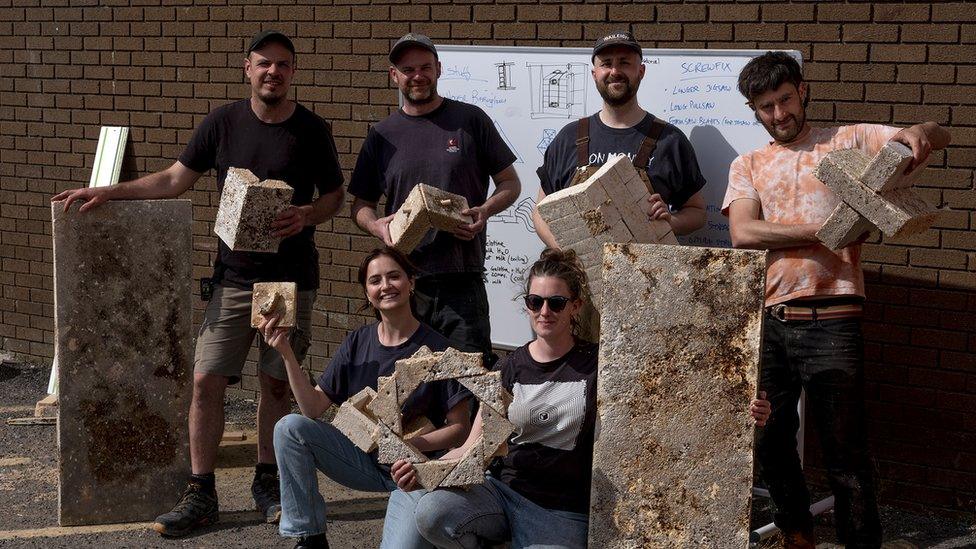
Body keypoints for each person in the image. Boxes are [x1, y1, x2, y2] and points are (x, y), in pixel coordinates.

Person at [52, 30, 346, 536]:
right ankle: (201, 492)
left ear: (293, 72)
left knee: (276, 384)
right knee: (207, 381)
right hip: (233, 279)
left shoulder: (311, 130)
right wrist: (111, 191)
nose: (272, 72)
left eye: (282, 65)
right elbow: (174, 178)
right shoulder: (222, 122)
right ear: (246, 68)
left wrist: (307, 215)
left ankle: (267, 482)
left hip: (289, 280)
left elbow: (335, 197)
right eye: (263, 64)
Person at [723, 51, 951, 549]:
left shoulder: (848, 141)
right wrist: (822, 232)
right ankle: (798, 535)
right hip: (771, 321)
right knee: (768, 440)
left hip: (835, 317)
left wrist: (920, 132)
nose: (779, 114)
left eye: (784, 99)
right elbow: (743, 232)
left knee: (845, 452)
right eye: (766, 107)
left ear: (801, 91)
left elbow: (938, 132)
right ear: (754, 111)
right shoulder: (750, 165)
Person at [412, 249, 772, 548]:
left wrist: (742, 411)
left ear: (576, 306)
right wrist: (422, 466)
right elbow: (475, 444)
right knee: (431, 514)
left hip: (563, 508)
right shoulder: (511, 366)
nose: (544, 312)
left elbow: (673, 403)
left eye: (556, 302)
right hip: (505, 493)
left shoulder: (600, 365)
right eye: (535, 301)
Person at [265, 247, 473, 549]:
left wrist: (408, 445)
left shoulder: (439, 347)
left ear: (411, 282)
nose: (385, 286)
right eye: (375, 281)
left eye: (394, 276)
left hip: (413, 472)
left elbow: (460, 429)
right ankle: (309, 537)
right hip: (362, 462)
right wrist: (285, 352)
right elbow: (312, 408)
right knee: (289, 427)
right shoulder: (358, 341)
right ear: (367, 291)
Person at [349, 33, 521, 363]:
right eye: (408, 69)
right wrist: (377, 227)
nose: (418, 76)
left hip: (462, 281)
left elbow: (510, 184)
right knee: (404, 387)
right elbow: (360, 205)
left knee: (469, 379)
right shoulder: (382, 135)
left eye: (425, 67)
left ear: (439, 69)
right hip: (403, 284)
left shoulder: (471, 121)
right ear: (394, 75)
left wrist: (484, 210)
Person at [532, 30, 708, 249]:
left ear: (641, 71)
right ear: (594, 73)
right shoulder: (568, 138)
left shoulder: (670, 141)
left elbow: (698, 212)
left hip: (646, 277)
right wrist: (567, 253)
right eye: (606, 63)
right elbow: (541, 210)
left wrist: (672, 221)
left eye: (624, 63)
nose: (615, 71)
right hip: (575, 279)